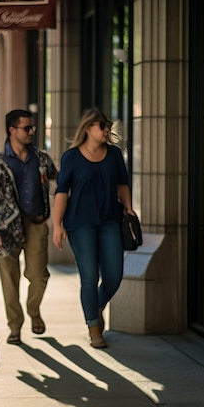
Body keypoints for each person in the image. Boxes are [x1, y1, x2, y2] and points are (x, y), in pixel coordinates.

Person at [51, 108, 135, 349]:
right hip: (79, 223)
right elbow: (62, 192)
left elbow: (122, 185)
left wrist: (129, 207)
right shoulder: (71, 157)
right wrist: (57, 225)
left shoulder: (115, 155)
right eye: (102, 126)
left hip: (109, 220)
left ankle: (95, 305)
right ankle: (94, 329)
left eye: (108, 126)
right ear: (88, 128)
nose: (107, 130)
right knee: (89, 277)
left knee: (114, 276)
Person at [0, 109, 57, 345]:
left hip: (36, 223)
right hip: (6, 227)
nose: (31, 132)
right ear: (12, 130)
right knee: (9, 280)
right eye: (27, 128)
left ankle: (34, 310)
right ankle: (15, 326)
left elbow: (59, 180)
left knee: (39, 275)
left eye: (32, 127)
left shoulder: (42, 158)